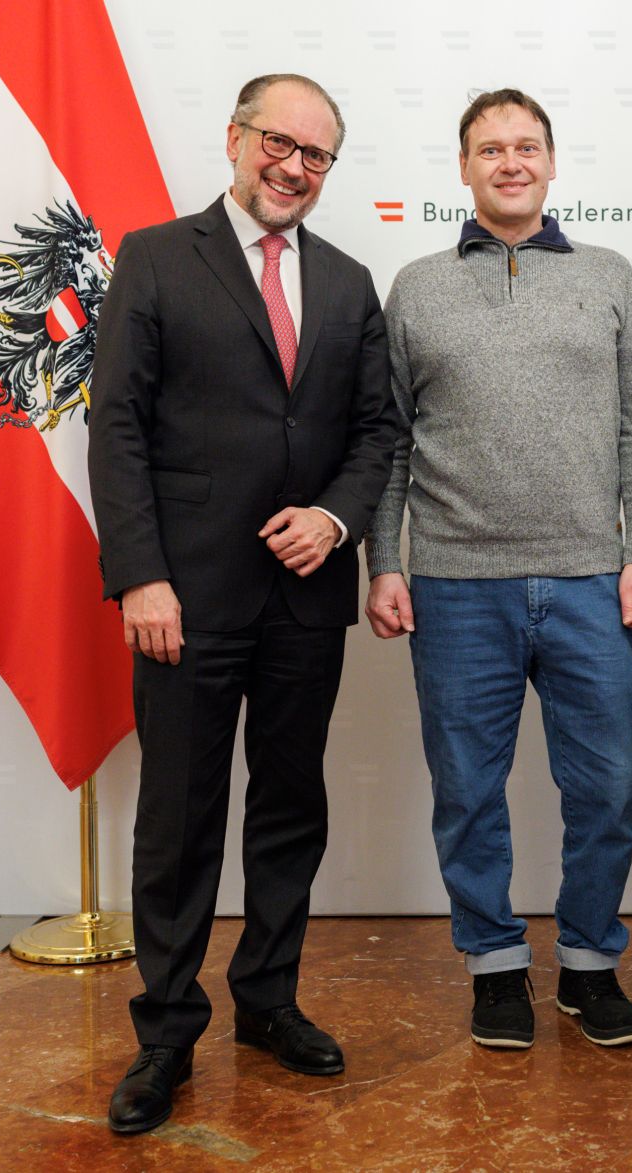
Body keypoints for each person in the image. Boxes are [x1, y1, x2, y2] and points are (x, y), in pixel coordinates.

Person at [88, 73, 400, 1134]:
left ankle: (268, 999)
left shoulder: (350, 282)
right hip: (183, 593)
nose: (293, 168)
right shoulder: (154, 257)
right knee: (179, 815)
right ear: (234, 138)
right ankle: (166, 1031)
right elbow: (116, 426)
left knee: (288, 806)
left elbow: (376, 432)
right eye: (279, 143)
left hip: (305, 596)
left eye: (316, 155)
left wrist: (337, 520)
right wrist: (140, 574)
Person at [365, 88, 632, 1051]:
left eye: (526, 146)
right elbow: (389, 438)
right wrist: (384, 561)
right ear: (463, 168)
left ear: (551, 162)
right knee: (466, 787)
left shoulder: (609, 275)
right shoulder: (416, 286)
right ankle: (494, 964)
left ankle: (588, 963)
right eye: (489, 148)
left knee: (610, 780)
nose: (510, 162)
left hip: (589, 579)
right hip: (454, 582)